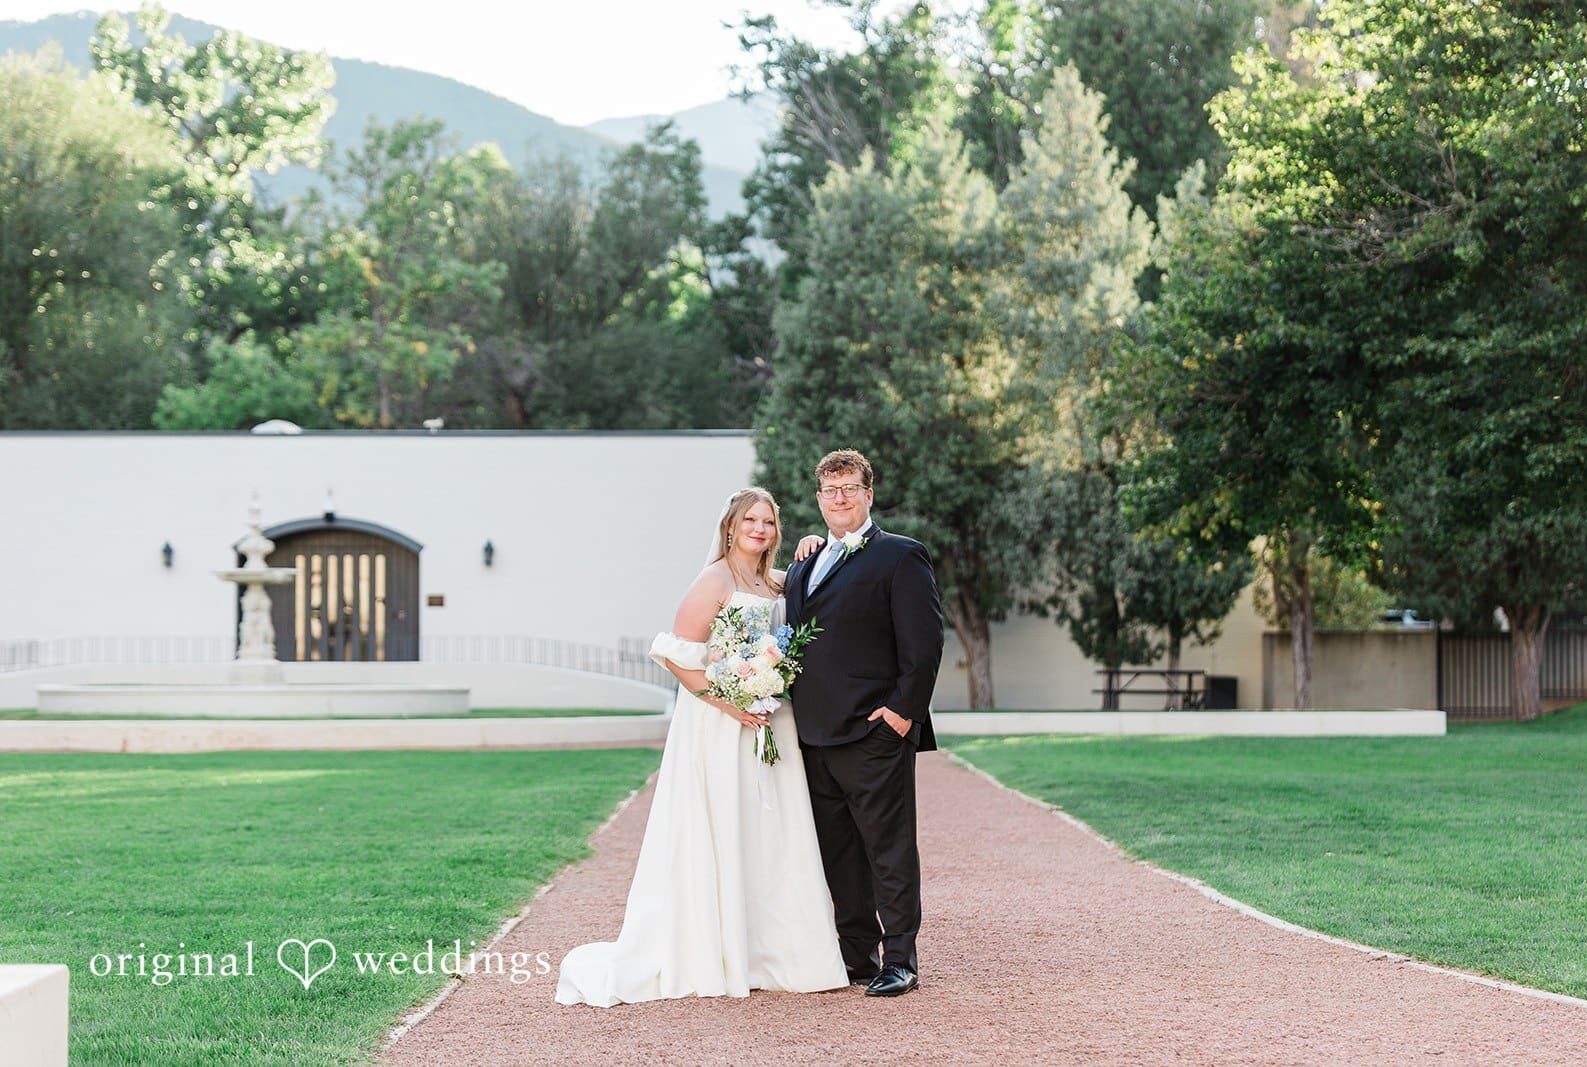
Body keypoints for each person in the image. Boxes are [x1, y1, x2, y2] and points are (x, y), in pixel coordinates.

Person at [555, 488, 848, 1007]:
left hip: (769, 720)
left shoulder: (774, 580)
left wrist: (812, 541)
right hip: (720, 722)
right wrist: (730, 703)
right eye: (750, 520)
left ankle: (770, 951)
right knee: (723, 822)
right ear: (730, 528)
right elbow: (679, 658)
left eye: (769, 522)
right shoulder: (713, 579)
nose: (760, 529)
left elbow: (822, 575)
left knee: (771, 830)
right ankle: (720, 947)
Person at [783, 448, 944, 998]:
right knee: (840, 852)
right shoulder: (806, 563)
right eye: (830, 491)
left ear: (869, 494)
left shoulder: (901, 557)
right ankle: (856, 953)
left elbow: (924, 646)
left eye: (850, 488)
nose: (840, 498)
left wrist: (902, 713)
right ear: (819, 499)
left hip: (875, 734)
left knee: (889, 848)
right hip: (813, 735)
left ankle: (900, 957)